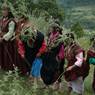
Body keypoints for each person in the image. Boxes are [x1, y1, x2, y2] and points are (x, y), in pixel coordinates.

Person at [41, 23, 65, 90]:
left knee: (53, 71)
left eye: (52, 28)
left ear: (55, 29)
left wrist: (59, 58)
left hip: (55, 56)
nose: (50, 29)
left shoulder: (60, 37)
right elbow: (47, 45)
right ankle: (46, 84)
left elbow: (62, 48)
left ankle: (55, 85)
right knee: (45, 70)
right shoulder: (50, 35)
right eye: (51, 28)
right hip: (49, 55)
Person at [0, 5, 17, 70]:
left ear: (8, 12)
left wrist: (3, 38)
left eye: (5, 10)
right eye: (2, 10)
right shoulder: (1, 19)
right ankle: (2, 66)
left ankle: (9, 68)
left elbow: (10, 32)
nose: (3, 12)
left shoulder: (11, 21)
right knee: (1, 53)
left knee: (7, 54)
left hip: (8, 41)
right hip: (1, 39)